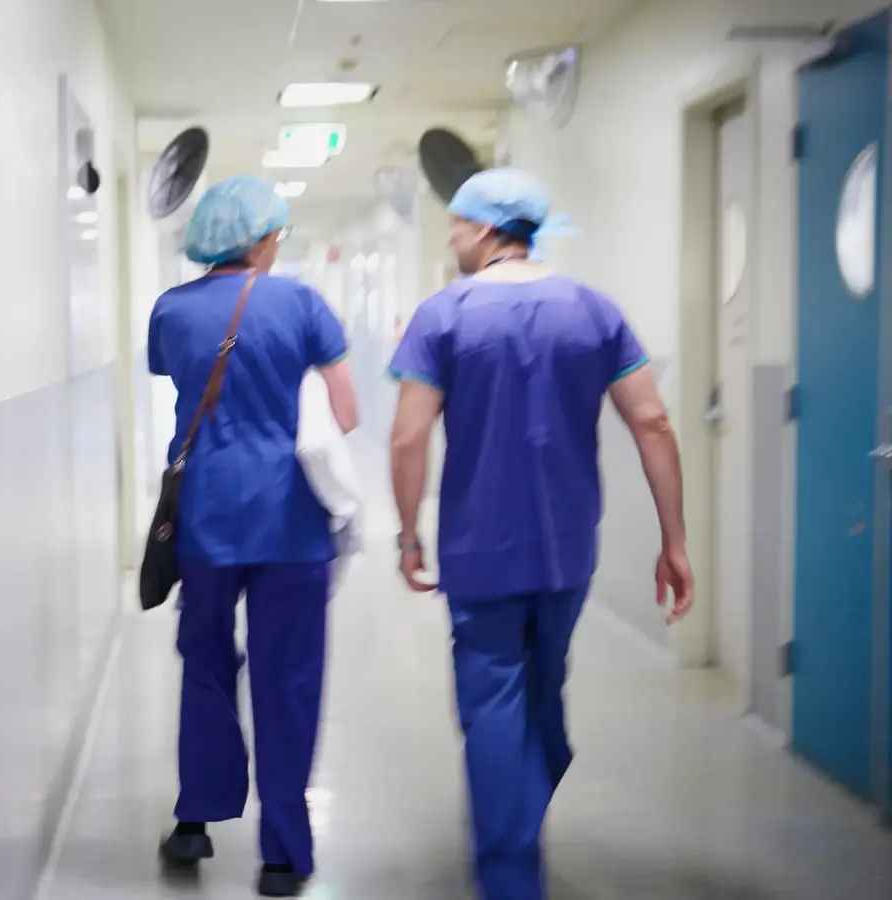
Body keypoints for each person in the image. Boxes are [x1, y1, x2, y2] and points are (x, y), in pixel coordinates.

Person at [386, 168, 694, 900]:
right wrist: (673, 539)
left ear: (488, 230)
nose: (453, 238)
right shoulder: (593, 311)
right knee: (543, 690)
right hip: (567, 549)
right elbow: (651, 420)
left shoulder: (443, 316)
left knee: (494, 703)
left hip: (479, 550)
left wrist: (407, 534)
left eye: (457, 225)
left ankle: (509, 875)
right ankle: (523, 812)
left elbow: (407, 439)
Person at [147, 175, 359, 898]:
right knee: (287, 681)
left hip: (204, 517)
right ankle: (282, 855)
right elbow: (346, 410)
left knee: (204, 663)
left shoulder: (171, 310)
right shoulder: (301, 302)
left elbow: (178, 379)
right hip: (292, 524)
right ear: (263, 238)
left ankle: (194, 822)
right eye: (277, 235)